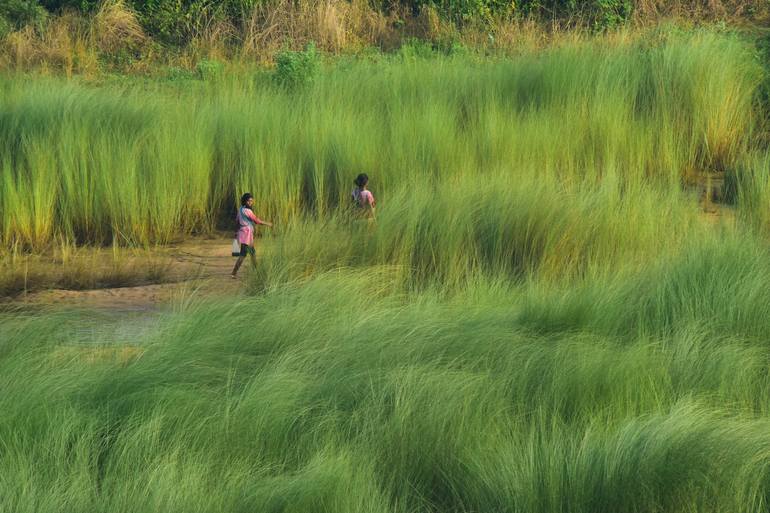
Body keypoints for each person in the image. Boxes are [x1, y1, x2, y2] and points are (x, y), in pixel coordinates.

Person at [232, 193, 272, 278]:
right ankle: (234, 272)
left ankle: (256, 272)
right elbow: (257, 221)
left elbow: (237, 221)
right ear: (245, 201)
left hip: (243, 233)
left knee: (252, 253)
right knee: (243, 255)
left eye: (251, 201)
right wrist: (267, 224)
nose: (250, 203)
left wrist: (236, 233)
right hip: (247, 234)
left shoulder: (240, 209)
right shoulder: (248, 211)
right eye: (249, 201)